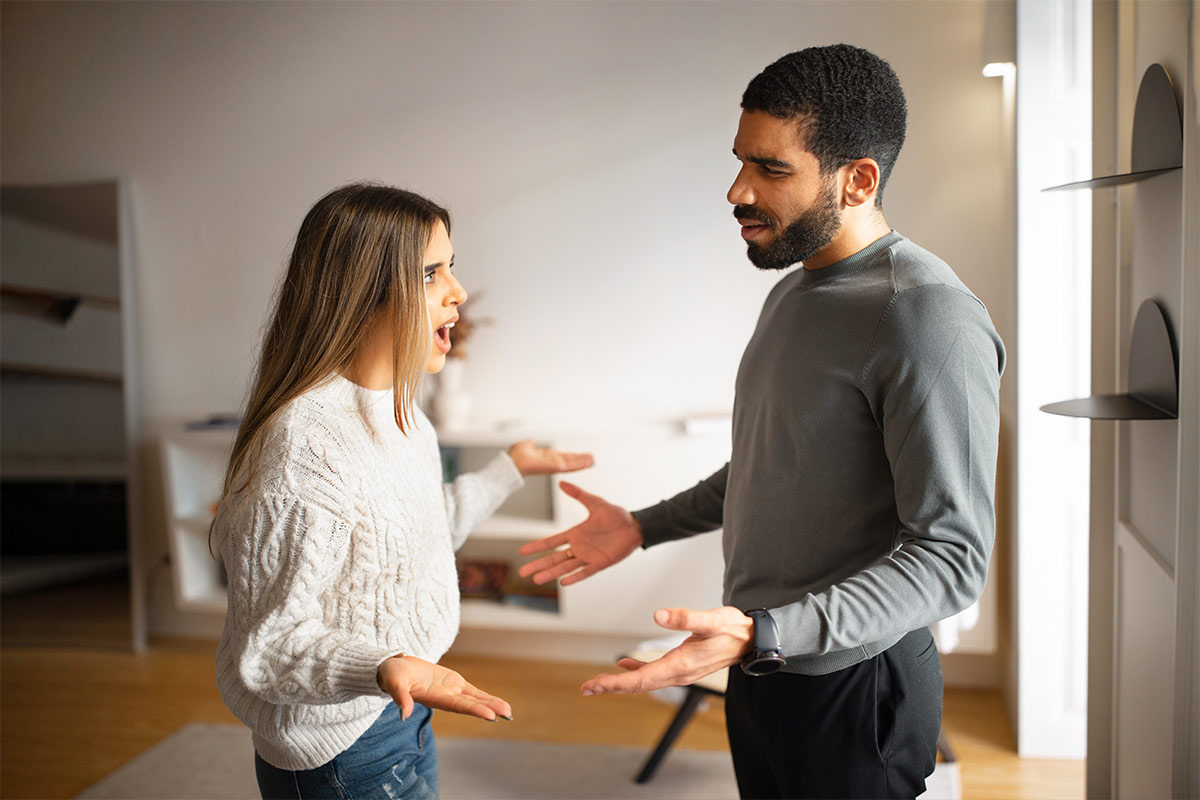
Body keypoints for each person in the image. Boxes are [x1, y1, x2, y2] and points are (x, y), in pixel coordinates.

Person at [518, 44, 1005, 799]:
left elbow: (951, 557)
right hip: (757, 656)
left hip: (853, 684)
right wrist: (642, 526)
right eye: (741, 160)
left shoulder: (926, 317)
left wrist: (767, 633)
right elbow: (769, 466)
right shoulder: (794, 291)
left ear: (858, 180)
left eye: (771, 169)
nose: (737, 190)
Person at [212, 183, 592, 799]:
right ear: (363, 293)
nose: (458, 292)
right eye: (431, 273)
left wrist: (508, 469)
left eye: (452, 266)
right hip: (336, 743)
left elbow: (409, 538)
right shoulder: (303, 450)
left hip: (401, 703)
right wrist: (383, 667)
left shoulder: (402, 413)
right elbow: (271, 645)